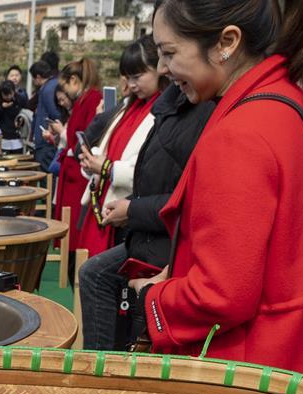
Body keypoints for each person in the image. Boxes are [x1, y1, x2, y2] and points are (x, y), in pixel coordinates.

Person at [131, 0, 303, 378]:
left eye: (170, 53)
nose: (164, 69)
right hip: (298, 351)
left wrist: (153, 297)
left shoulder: (240, 134)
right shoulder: (285, 104)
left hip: (251, 367)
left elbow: (222, 295)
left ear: (226, 43)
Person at [78, 81, 216, 351]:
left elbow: (187, 198)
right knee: (94, 274)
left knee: (99, 278)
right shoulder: (156, 107)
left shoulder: (200, 110)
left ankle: (104, 371)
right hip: (149, 229)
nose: (166, 67)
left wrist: (131, 207)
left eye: (170, 53)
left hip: (164, 240)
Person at [75, 35, 168, 258]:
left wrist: (106, 168)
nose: (132, 84)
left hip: (130, 213)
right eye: (128, 77)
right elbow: (110, 149)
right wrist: (92, 162)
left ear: (159, 69)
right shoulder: (129, 107)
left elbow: (153, 172)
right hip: (106, 205)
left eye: (138, 76)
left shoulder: (163, 111)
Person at [52, 58, 103, 268]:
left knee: (76, 234)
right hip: (73, 173)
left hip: (79, 176)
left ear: (73, 80)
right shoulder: (85, 100)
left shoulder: (91, 99)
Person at [29, 60, 61, 171]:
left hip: (45, 142)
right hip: (50, 142)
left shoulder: (47, 89)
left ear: (38, 77)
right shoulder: (55, 83)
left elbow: (54, 114)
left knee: (46, 178)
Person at [0, 81, 25, 155]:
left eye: (10, 94)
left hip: (17, 136)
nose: (8, 97)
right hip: (3, 136)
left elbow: (24, 113)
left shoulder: (19, 100)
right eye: (5, 95)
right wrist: (2, 107)